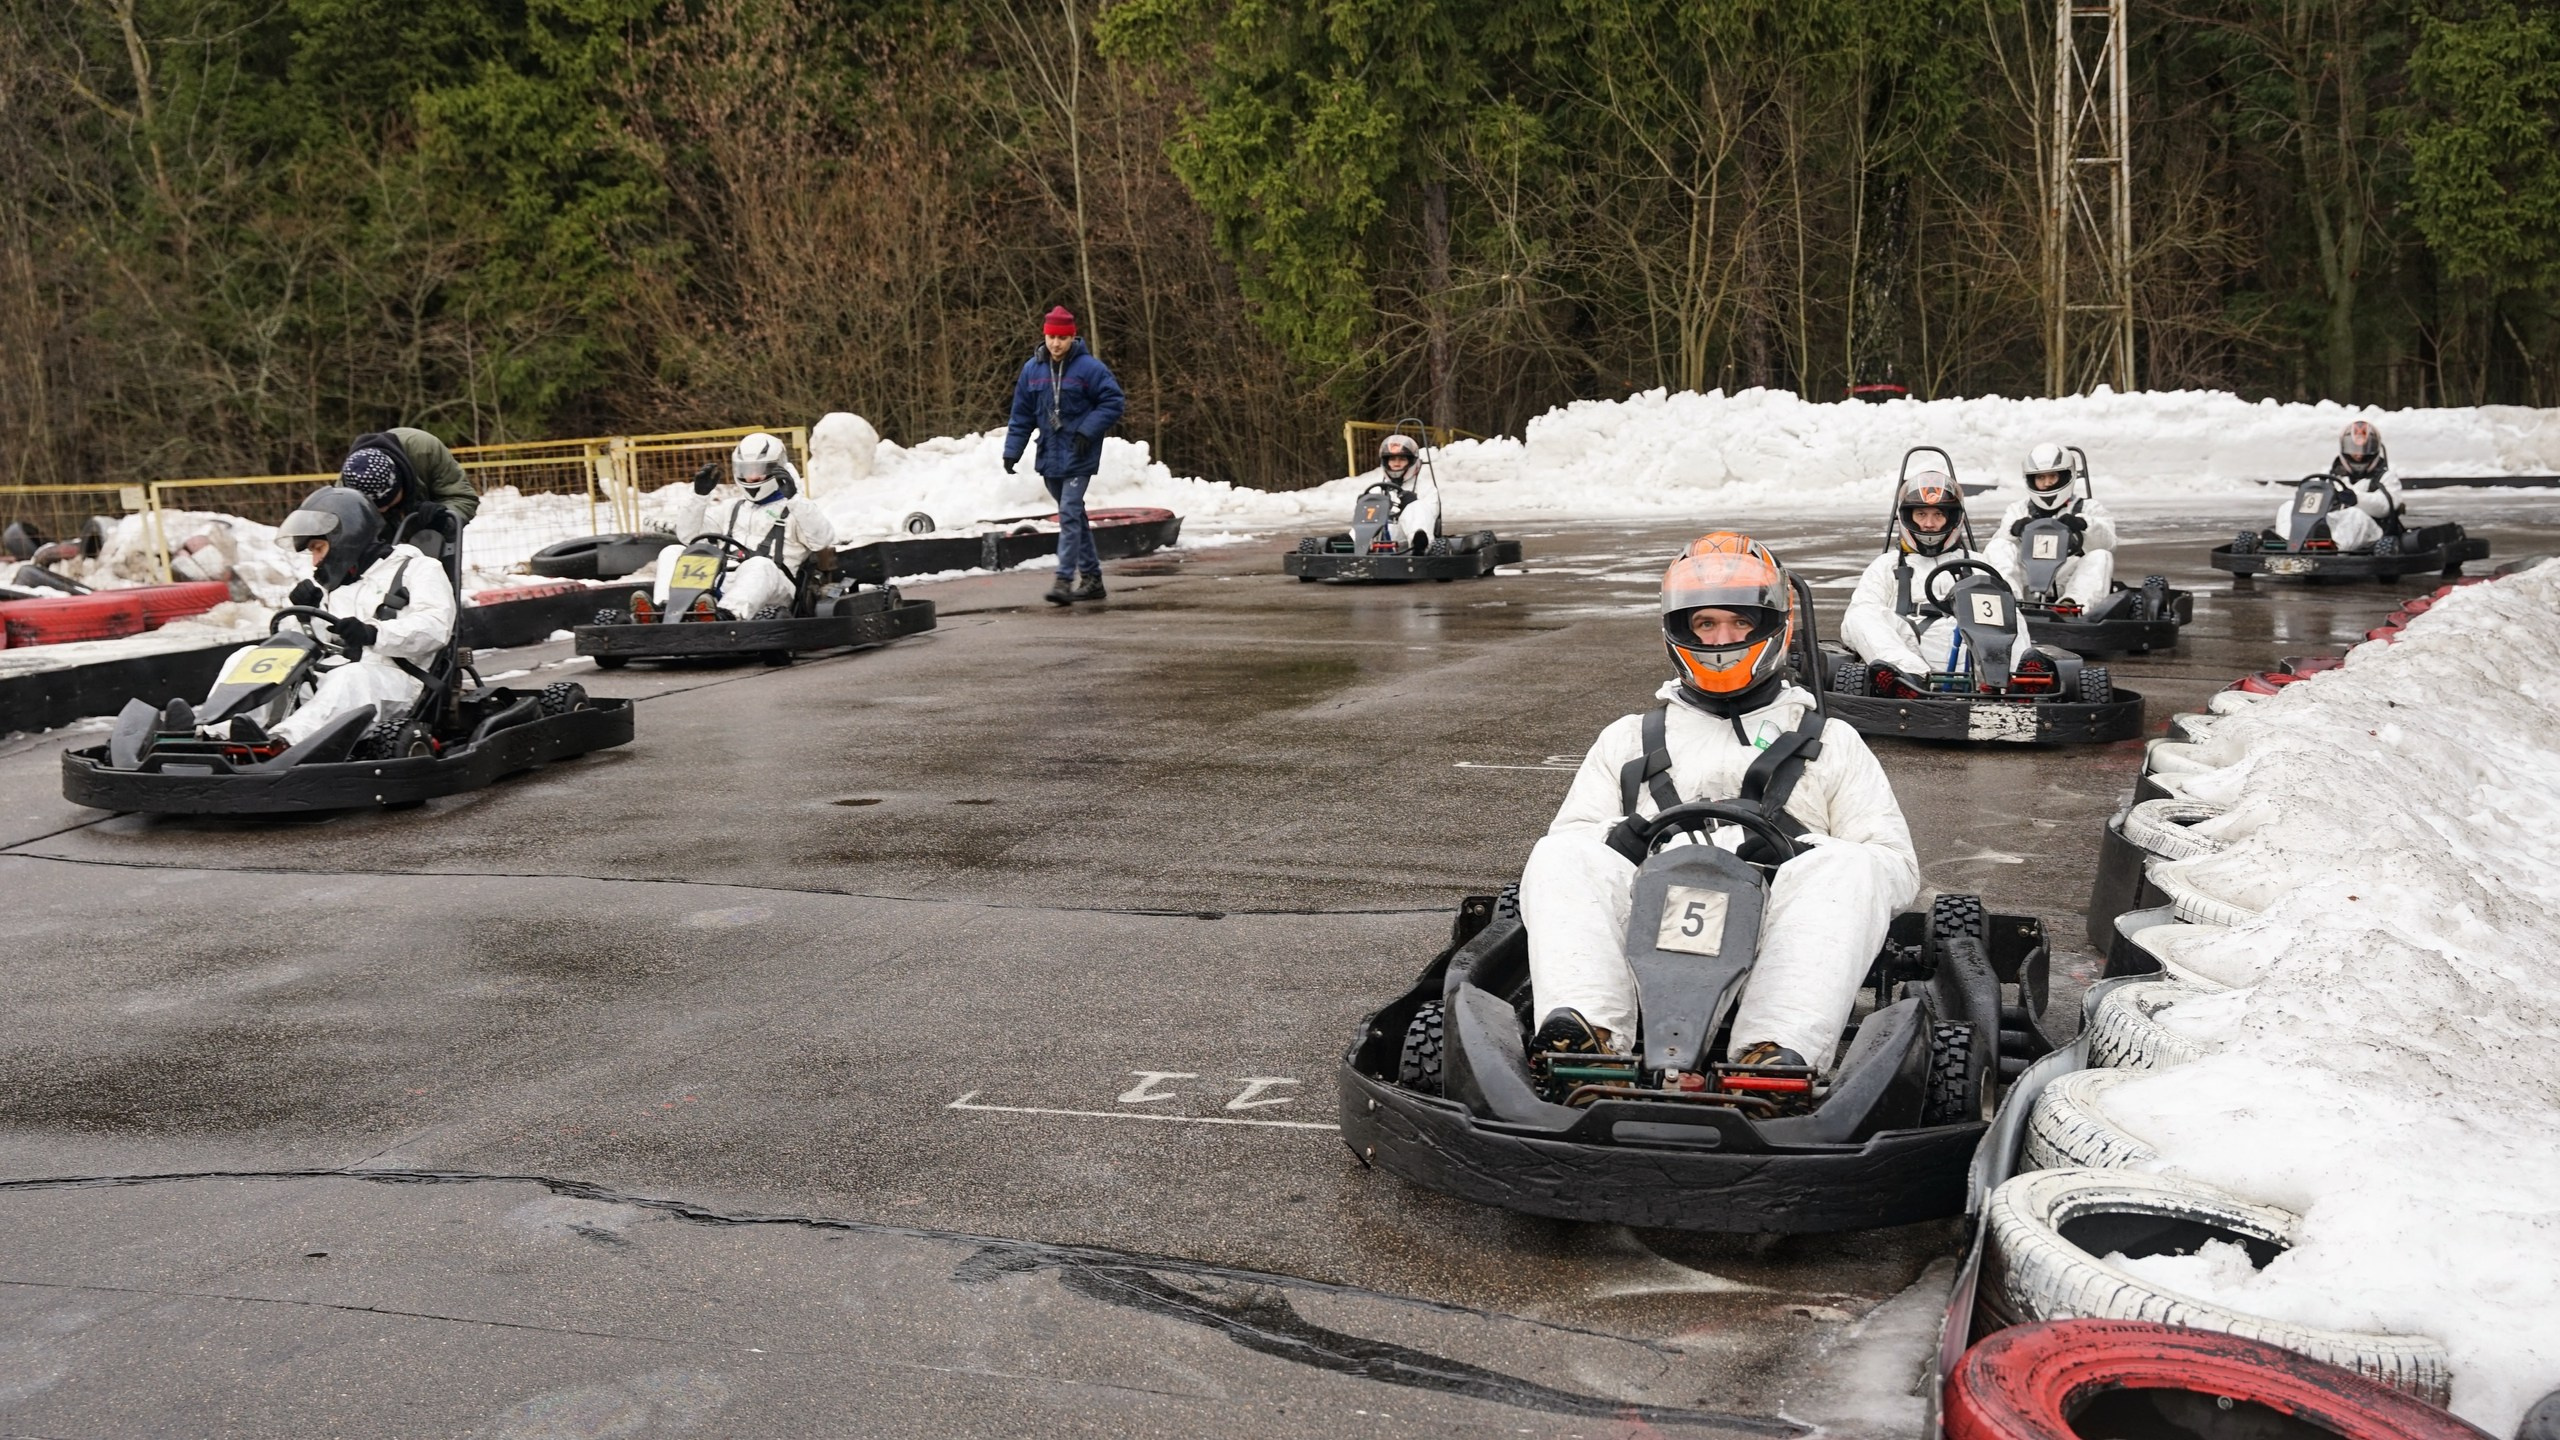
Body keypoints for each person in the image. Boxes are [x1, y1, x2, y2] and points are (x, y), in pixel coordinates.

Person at [1518, 533, 1920, 1069]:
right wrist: (1621, 838)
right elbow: (1575, 851)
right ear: (1679, 631)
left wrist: (1804, 850)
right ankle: (1586, 1032)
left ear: (1775, 626)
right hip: (1645, 921)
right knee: (1558, 854)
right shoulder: (1629, 737)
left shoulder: (1830, 741)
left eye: (1739, 623)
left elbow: (1894, 866)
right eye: (1705, 624)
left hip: (1781, 928)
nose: (1721, 638)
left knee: (1849, 864)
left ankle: (1774, 1052)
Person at [218, 486, 456, 746]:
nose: (315, 562)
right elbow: (318, 643)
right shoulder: (335, 586)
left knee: (351, 677)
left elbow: (435, 628)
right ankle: (218, 732)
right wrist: (305, 617)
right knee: (249, 656)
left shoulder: (420, 569)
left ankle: (282, 744)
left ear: (347, 537)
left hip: (395, 684)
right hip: (333, 681)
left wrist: (374, 633)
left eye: (318, 549)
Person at [1840, 468, 2034, 683]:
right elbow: (1853, 628)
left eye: (1938, 515)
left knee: (2009, 612)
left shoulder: (1978, 563)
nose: (1929, 524)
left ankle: (2017, 680)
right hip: (1911, 646)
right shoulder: (1886, 565)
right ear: (1907, 517)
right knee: (1861, 614)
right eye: (1921, 514)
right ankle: (1909, 680)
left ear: (1953, 518)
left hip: (1975, 647)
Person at [1003, 306, 1126, 605]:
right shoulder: (1032, 369)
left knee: (1069, 513)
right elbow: (1021, 414)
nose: (1056, 343)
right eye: (1051, 336)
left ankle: (1063, 579)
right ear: (1044, 335)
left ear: (1072, 337)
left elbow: (1113, 401)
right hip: (1049, 455)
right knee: (1075, 517)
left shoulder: (1090, 369)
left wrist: (1087, 431)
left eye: (1062, 337)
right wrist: (1012, 451)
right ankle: (1093, 578)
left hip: (1080, 453)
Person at [648, 431, 835, 620]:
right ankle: (663, 609)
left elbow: (822, 540)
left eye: (759, 470)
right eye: (746, 471)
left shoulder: (797, 509)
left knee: (759, 564)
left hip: (774, 588)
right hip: (723, 582)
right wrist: (699, 496)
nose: (751, 478)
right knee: (673, 551)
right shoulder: (732, 508)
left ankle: (727, 617)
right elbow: (689, 537)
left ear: (777, 469)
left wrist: (794, 499)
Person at [1985, 442, 2118, 608]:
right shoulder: (2018, 509)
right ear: (2031, 479)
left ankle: (2071, 606)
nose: (2047, 483)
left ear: (2065, 476)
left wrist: (2084, 524)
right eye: (2041, 477)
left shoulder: (2089, 508)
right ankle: (2008, 604)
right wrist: (2014, 529)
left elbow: (2109, 544)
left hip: (2068, 576)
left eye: (2052, 476)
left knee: (2101, 556)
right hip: (2028, 579)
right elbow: (1997, 548)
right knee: (1998, 546)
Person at [2272, 419, 2402, 551]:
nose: (2358, 455)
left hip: (2372, 529)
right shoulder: (2329, 476)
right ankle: (2288, 540)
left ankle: (2334, 547)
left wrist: (2357, 499)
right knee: (2288, 507)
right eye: (2353, 448)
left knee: (2354, 515)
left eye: (2364, 449)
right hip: (2332, 522)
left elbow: (2386, 506)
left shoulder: (2386, 477)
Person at [334, 427, 480, 535]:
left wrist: (444, 519)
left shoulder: (425, 450)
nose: (383, 509)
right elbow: (343, 528)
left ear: (401, 479)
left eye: (388, 501)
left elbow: (463, 497)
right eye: (376, 507)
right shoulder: (348, 486)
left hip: (430, 539)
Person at [1375, 433, 1443, 552]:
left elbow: (1432, 513)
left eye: (1402, 459)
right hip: (1381, 539)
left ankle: (1420, 545)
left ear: (1411, 461)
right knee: (1368, 509)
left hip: (1410, 542)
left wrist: (1412, 503)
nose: (1396, 463)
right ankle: (1351, 544)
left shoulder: (1426, 487)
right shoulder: (1378, 488)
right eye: (1392, 459)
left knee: (1415, 505)